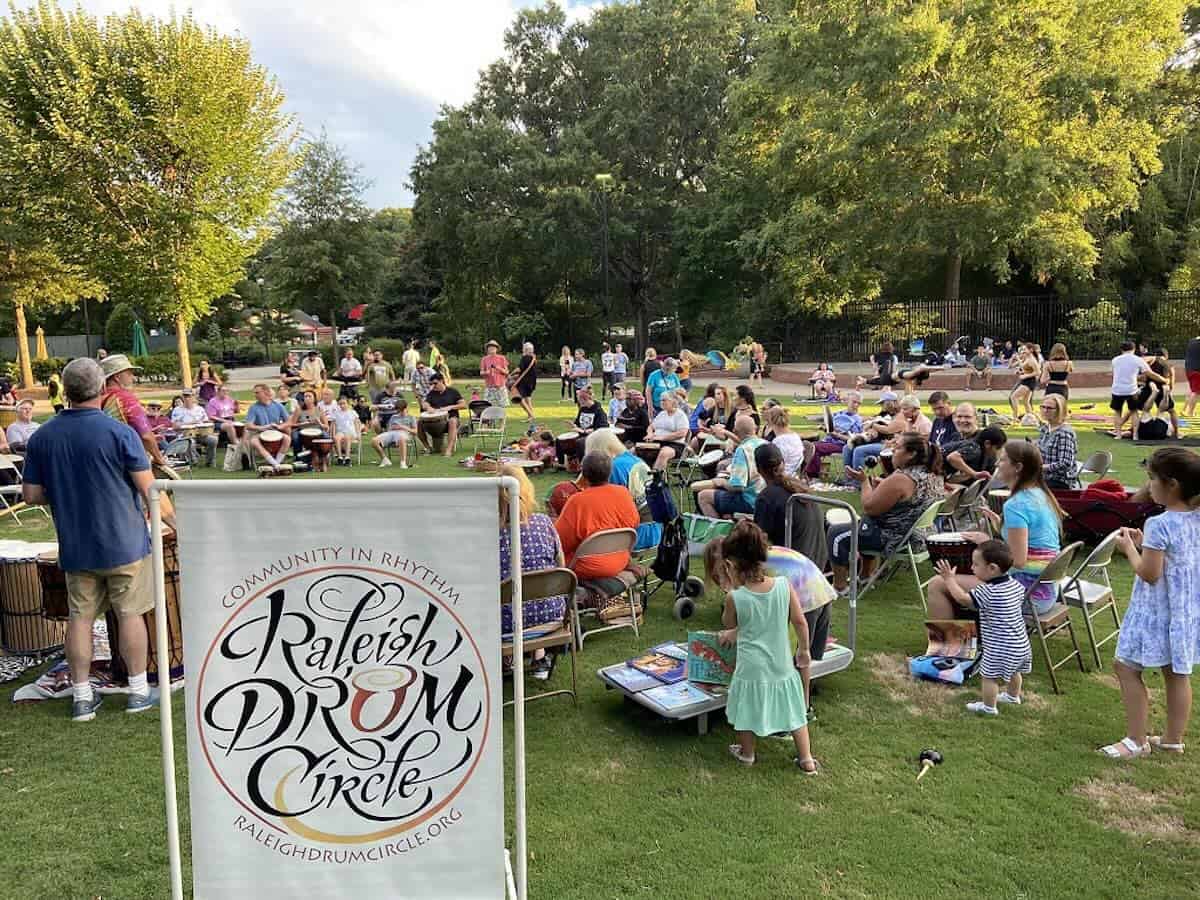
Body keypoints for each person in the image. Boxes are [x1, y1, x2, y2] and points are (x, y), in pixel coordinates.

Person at [22, 358, 173, 720]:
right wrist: (180, 525)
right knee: (131, 614)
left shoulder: (43, 436)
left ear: (65, 390)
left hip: (76, 545)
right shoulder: (120, 434)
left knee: (80, 619)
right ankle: (138, 692)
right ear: (102, 389)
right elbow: (149, 489)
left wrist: (63, 490)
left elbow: (30, 495)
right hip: (124, 542)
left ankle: (82, 698)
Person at [1100, 448, 1200, 758]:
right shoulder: (1195, 518)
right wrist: (1147, 544)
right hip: (1184, 612)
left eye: (1151, 479)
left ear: (1171, 484)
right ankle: (1172, 739)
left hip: (1155, 612)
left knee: (1125, 667)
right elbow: (1177, 557)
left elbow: (1149, 573)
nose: (1148, 485)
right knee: (1177, 672)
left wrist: (1130, 548)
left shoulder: (1161, 523)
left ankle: (1135, 740)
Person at [712, 522, 816, 772]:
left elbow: (729, 624)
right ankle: (806, 759)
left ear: (731, 564)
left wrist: (731, 589)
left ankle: (747, 754)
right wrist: (804, 649)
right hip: (781, 664)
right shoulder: (783, 586)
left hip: (751, 668)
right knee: (795, 713)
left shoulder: (735, 597)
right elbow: (800, 621)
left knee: (746, 711)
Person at [927, 441, 1063, 619]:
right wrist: (1000, 525)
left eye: (1003, 460)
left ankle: (948, 645)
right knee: (971, 571)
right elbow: (1032, 541)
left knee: (938, 583)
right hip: (1046, 590)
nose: (997, 464)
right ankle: (973, 636)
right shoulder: (1039, 494)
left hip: (1029, 595)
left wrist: (985, 542)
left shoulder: (1017, 505)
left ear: (1018, 467)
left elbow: (1018, 561)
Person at [703, 530, 834, 710]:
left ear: (728, 564)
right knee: (801, 656)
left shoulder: (756, 569)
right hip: (818, 589)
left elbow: (765, 616)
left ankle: (800, 708)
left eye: (721, 576)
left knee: (793, 658)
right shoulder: (754, 558)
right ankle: (803, 705)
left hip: (806, 596)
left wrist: (737, 631)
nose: (722, 583)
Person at [827, 433, 945, 590]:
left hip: (896, 538)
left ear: (911, 454)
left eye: (897, 447)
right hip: (920, 536)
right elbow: (907, 500)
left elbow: (869, 507)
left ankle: (839, 586)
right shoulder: (932, 473)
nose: (892, 450)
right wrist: (884, 486)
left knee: (837, 533)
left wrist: (864, 482)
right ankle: (865, 576)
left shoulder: (902, 479)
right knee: (864, 525)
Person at [934, 540, 1031, 716]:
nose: (972, 567)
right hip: (1020, 643)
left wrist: (949, 579)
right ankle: (1012, 696)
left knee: (989, 677)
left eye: (976, 564)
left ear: (992, 568)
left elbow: (963, 599)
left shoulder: (987, 591)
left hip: (999, 647)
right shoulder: (1016, 585)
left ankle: (988, 707)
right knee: (1015, 671)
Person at [498, 464, 569, 680]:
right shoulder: (545, 523)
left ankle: (506, 659)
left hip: (506, 627)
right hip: (552, 618)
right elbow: (561, 568)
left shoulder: (489, 534)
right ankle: (539, 657)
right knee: (532, 590)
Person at [554, 452, 640, 580]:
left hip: (585, 566)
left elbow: (559, 542)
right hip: (620, 559)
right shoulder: (623, 493)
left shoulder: (577, 501)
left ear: (583, 474)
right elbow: (634, 523)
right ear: (610, 472)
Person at [753, 442, 827, 569]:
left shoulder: (767, 497)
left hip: (793, 568)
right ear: (783, 463)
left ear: (759, 469)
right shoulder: (800, 487)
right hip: (817, 564)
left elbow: (758, 541)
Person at [586, 428, 661, 550]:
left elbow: (609, 508)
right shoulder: (634, 459)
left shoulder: (613, 467)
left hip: (635, 534)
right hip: (656, 528)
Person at [99, 354, 171, 472]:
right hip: (126, 464)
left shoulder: (97, 398)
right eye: (129, 373)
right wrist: (159, 459)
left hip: (103, 461)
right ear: (117, 377)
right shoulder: (126, 398)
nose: (132, 377)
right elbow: (146, 436)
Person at [842, 393, 929, 473]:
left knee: (859, 450)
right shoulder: (907, 419)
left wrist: (873, 424)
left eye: (883, 403)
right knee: (847, 447)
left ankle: (857, 482)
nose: (903, 411)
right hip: (891, 444)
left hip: (896, 447)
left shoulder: (909, 419)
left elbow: (888, 430)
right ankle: (848, 479)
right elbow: (902, 436)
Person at [698, 416, 765, 518]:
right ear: (755, 429)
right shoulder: (765, 444)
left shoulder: (742, 450)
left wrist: (722, 482)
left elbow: (737, 487)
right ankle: (728, 519)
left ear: (735, 431)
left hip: (750, 501)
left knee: (703, 496)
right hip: (765, 498)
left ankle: (717, 531)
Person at [1111, 340, 1165, 439]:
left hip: (1117, 389)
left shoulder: (1115, 360)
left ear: (1121, 349)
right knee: (1134, 411)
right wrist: (1163, 379)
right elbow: (1150, 373)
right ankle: (1135, 434)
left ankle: (1118, 434)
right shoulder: (1138, 360)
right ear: (1134, 349)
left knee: (1117, 411)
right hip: (1131, 390)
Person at [806, 390, 864, 479]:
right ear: (847, 401)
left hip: (842, 445)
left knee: (814, 447)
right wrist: (824, 428)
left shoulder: (857, 420)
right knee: (807, 444)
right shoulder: (839, 414)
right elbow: (832, 428)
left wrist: (837, 435)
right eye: (854, 402)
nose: (856, 405)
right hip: (829, 441)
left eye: (858, 403)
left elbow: (853, 440)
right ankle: (807, 474)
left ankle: (812, 476)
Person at [245, 383, 292, 471]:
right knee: (254, 441)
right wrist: (263, 428)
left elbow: (289, 421)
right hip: (260, 433)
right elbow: (248, 425)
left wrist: (280, 426)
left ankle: (276, 464)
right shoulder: (254, 407)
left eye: (257, 393)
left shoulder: (278, 405)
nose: (255, 395)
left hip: (276, 432)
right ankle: (275, 464)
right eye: (255, 393)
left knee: (287, 439)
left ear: (265, 392)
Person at [1134, 347, 1178, 438]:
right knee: (1171, 411)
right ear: (1166, 356)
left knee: (1141, 410)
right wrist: (1169, 390)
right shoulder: (1168, 364)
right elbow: (1171, 379)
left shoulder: (1151, 360)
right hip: (1162, 386)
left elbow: (1140, 362)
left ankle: (1135, 432)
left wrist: (1138, 376)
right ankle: (1177, 432)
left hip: (1150, 385)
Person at [1037, 394, 1079, 490]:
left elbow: (1065, 463)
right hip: (1044, 476)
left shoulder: (1064, 433)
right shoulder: (1045, 428)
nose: (1045, 410)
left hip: (1059, 480)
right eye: (1043, 407)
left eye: (1049, 408)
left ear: (1059, 411)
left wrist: (1041, 468)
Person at [419, 370, 466, 456]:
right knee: (419, 422)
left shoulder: (452, 391)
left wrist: (451, 407)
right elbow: (424, 404)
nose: (433, 386)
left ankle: (449, 450)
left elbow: (463, 404)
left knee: (452, 421)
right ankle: (428, 447)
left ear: (441, 381)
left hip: (450, 420)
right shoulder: (432, 393)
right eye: (431, 384)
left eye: (435, 383)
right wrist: (428, 407)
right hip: (435, 422)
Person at [169, 390, 218, 467]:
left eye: (189, 396)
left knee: (213, 440)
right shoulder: (177, 410)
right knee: (190, 442)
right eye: (185, 396)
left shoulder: (200, 409)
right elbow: (175, 426)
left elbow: (206, 421)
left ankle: (210, 462)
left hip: (201, 434)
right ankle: (193, 462)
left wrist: (207, 423)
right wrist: (191, 423)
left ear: (193, 397)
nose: (187, 398)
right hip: (185, 434)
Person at [645, 391, 689, 470]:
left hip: (675, 444)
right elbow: (651, 427)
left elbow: (682, 433)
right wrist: (650, 434)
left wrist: (662, 437)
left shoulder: (680, 415)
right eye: (661, 400)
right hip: (657, 442)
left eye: (664, 400)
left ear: (673, 401)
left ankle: (656, 478)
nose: (661, 402)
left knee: (664, 453)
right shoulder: (662, 414)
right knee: (636, 450)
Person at [372, 396, 416, 468]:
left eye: (402, 410)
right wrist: (392, 428)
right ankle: (385, 459)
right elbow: (389, 430)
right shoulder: (394, 417)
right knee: (374, 440)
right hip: (392, 433)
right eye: (399, 410)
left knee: (401, 438)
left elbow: (415, 432)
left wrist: (402, 427)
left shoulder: (411, 417)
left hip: (405, 433)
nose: (400, 412)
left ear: (406, 408)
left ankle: (403, 462)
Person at [763, 405, 804, 476]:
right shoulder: (795, 436)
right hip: (793, 474)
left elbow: (775, 466)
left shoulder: (779, 441)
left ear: (771, 421)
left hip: (782, 477)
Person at [288, 389, 329, 460]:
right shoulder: (299, 410)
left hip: (317, 430)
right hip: (302, 430)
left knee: (326, 436)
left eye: (309, 396)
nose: (307, 398)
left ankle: (323, 456)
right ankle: (298, 457)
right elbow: (292, 424)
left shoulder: (319, 410)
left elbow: (326, 426)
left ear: (314, 399)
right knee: (295, 437)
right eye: (305, 396)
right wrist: (303, 423)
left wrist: (319, 422)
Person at [1008, 344, 1040, 424]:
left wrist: (1025, 375)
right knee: (1026, 402)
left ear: (1031, 350)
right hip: (1026, 381)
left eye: (1025, 349)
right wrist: (1021, 372)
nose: (1024, 351)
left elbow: (1038, 372)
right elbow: (1025, 368)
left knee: (1013, 397)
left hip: (1029, 382)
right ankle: (1034, 419)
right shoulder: (1027, 358)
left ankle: (1015, 417)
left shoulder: (1032, 360)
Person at [509, 342, 538, 430]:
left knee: (519, 398)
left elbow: (520, 368)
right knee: (528, 398)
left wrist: (511, 373)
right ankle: (531, 417)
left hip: (524, 381)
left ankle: (531, 415)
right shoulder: (534, 358)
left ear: (525, 349)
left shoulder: (525, 357)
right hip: (532, 381)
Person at [331, 396, 363, 466]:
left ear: (347, 404)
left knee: (347, 437)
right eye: (340, 404)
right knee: (337, 437)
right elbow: (334, 425)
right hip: (341, 431)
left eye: (344, 403)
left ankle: (347, 457)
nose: (342, 405)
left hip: (350, 431)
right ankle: (340, 457)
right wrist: (333, 435)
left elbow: (357, 423)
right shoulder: (336, 413)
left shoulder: (352, 412)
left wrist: (358, 434)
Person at [479, 340, 510, 408]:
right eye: (489, 347)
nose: (491, 349)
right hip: (489, 386)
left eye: (493, 347)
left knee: (502, 406)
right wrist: (485, 372)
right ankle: (490, 418)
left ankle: (502, 419)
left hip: (500, 386)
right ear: (487, 349)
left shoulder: (502, 358)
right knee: (487, 406)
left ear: (497, 349)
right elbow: (481, 372)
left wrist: (499, 369)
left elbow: (507, 372)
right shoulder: (484, 359)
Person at [1185, 334, 1200, 418]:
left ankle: (1190, 411)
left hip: (1189, 369)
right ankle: (1190, 412)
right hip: (1197, 370)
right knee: (1196, 392)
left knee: (1194, 390)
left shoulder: (1192, 341)